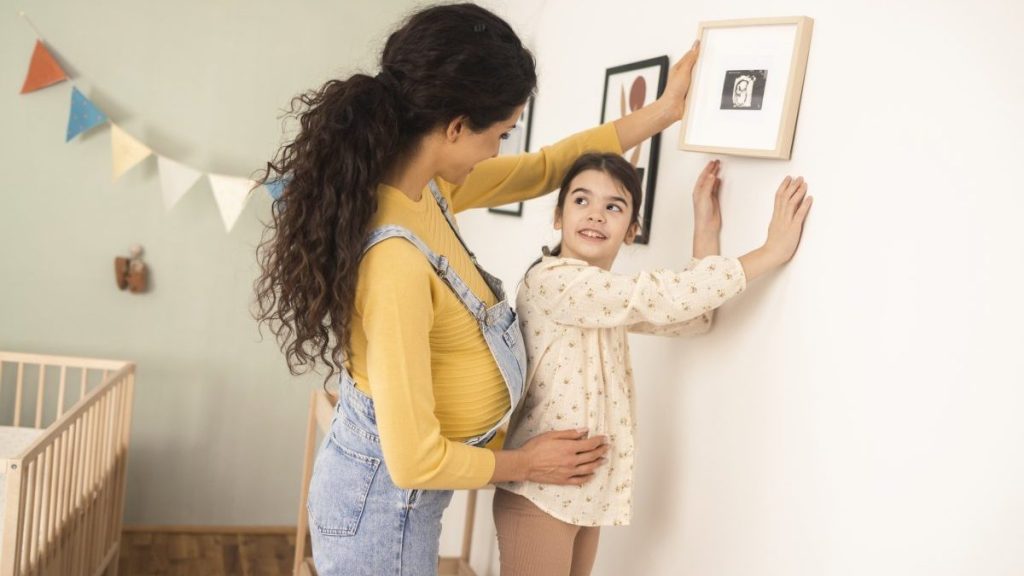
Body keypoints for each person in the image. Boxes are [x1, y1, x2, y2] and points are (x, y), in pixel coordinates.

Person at [253, 3, 703, 575]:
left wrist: (662, 112)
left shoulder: (429, 187)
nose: (499, 150)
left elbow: (544, 169)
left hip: (404, 502)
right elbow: (414, 460)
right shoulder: (393, 257)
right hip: (381, 506)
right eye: (500, 132)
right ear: (457, 125)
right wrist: (525, 463)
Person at [493, 154, 811, 575]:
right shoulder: (554, 281)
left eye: (614, 207)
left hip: (584, 494)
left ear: (632, 231)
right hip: (541, 493)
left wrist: (706, 228)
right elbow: (660, 296)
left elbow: (692, 318)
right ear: (558, 216)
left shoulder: (604, 300)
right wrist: (770, 252)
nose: (595, 215)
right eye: (581, 200)